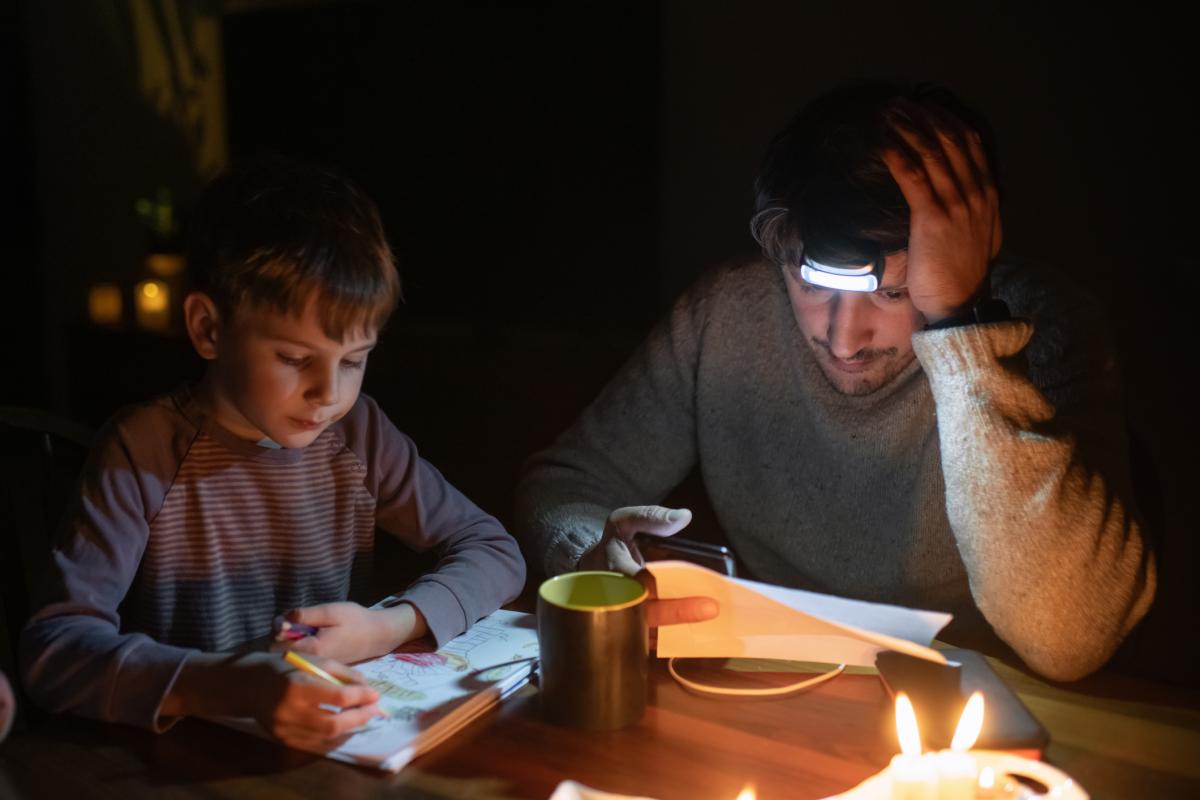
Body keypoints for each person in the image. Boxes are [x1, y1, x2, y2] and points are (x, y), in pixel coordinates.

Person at [515, 81, 1155, 682]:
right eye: (811, 283)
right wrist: (589, 559)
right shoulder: (725, 313)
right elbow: (567, 481)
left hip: (972, 707)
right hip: (769, 688)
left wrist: (963, 331)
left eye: (896, 292)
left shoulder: (1046, 328)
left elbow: (1071, 641)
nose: (844, 340)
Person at [21, 157, 525, 749]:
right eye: (293, 359)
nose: (328, 394)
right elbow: (54, 652)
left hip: (326, 756)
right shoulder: (144, 451)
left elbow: (494, 550)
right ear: (209, 329)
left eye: (354, 361)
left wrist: (385, 628)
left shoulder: (359, 434)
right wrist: (224, 686)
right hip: (182, 763)